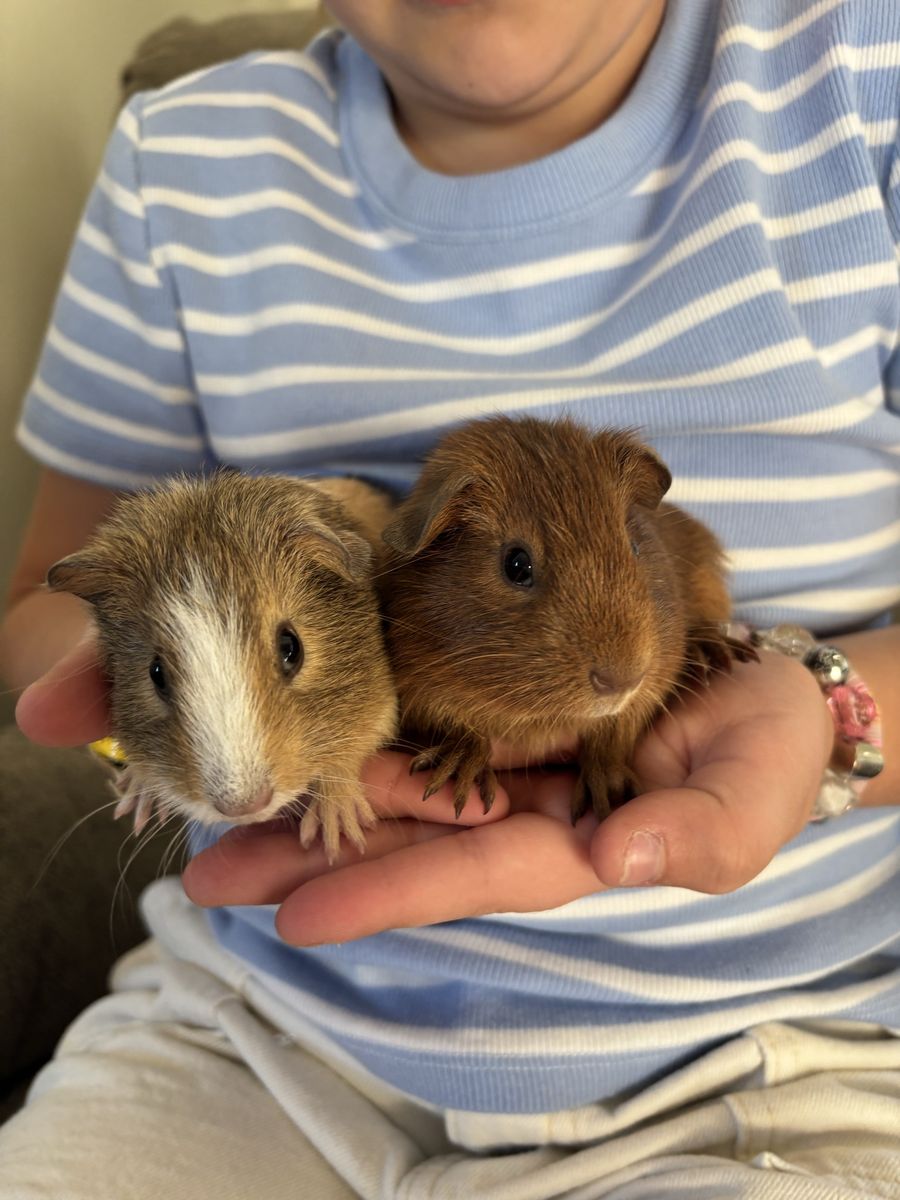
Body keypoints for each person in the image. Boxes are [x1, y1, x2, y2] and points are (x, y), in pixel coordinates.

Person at [1, 0, 899, 1194]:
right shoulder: (184, 165)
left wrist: (831, 704)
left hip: (775, 1065)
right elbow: (48, 616)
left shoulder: (858, 64)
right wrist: (151, 706)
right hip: (259, 1030)